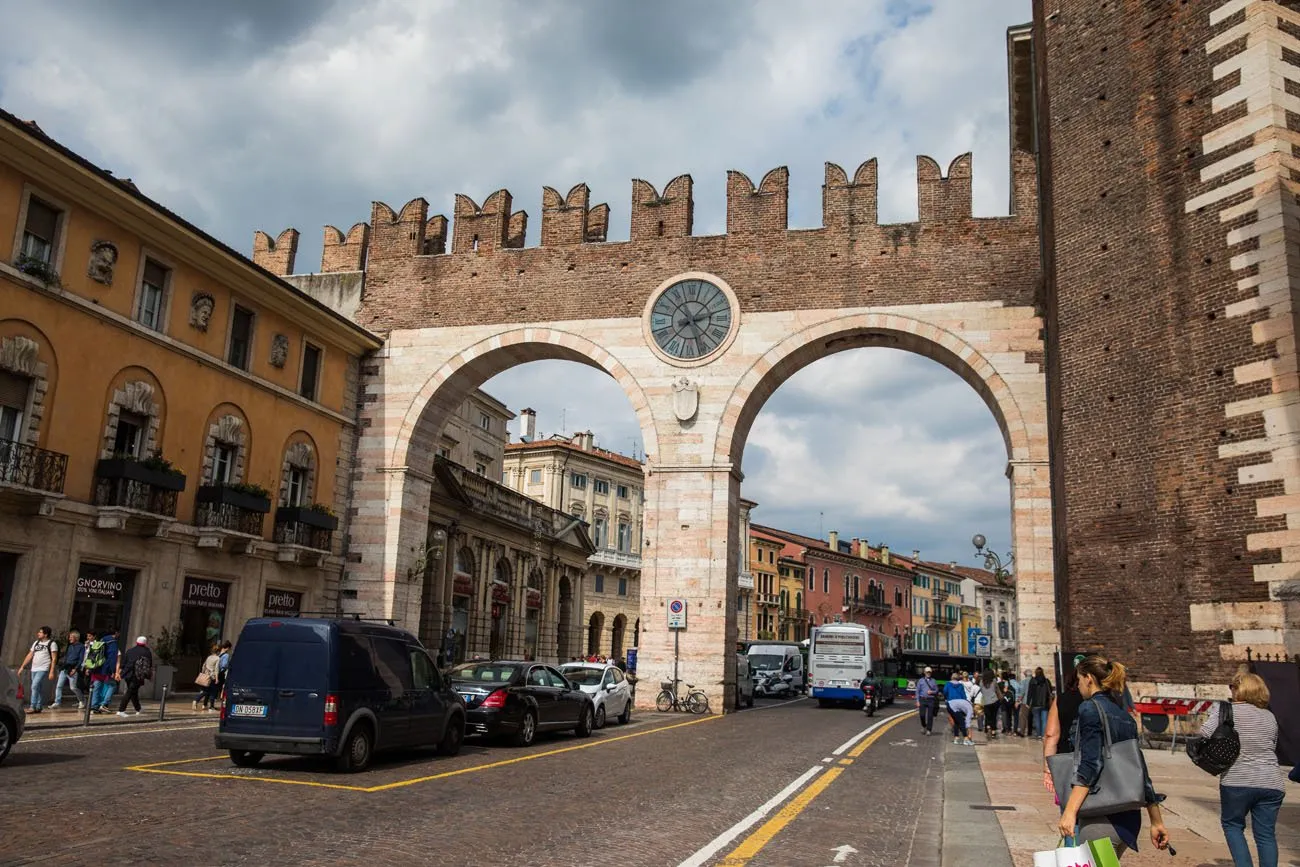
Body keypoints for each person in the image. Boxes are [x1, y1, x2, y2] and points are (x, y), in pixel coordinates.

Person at [1056, 655, 1170, 859]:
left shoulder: (1090, 708)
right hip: (1127, 818)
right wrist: (1156, 821)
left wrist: (1070, 812)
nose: (1079, 685)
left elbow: (1090, 765)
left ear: (1089, 678)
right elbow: (1140, 770)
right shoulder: (1124, 716)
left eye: (1080, 679)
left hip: (1102, 816)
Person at [1201, 671, 1287, 867]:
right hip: (1271, 781)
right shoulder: (1269, 717)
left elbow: (1205, 732)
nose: (1231, 690)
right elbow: (1271, 745)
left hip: (1238, 779)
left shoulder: (1229, 711)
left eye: (1233, 687)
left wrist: (1216, 712)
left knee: (1233, 826)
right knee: (1266, 834)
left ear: (1240, 689)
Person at [16, 626, 58, 713]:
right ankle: (39, 706)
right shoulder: (36, 643)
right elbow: (30, 655)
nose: (38, 633)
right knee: (37, 687)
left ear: (45, 634)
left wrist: (51, 671)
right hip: (34, 668)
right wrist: (22, 666)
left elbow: (54, 658)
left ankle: (32, 706)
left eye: (40, 632)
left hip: (43, 668)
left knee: (34, 686)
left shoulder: (52, 644)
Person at [115, 636, 154, 717]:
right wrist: (149, 675)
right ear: (145, 643)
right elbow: (149, 665)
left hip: (127, 674)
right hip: (138, 675)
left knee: (133, 692)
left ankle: (138, 709)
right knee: (130, 692)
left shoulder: (130, 650)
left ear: (136, 642)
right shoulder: (147, 652)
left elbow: (124, 663)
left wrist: (119, 672)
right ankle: (121, 710)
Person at [51, 629, 85, 710]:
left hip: (73, 668)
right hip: (65, 668)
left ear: (76, 638)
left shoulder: (81, 647)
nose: (69, 638)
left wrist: (75, 669)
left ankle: (82, 700)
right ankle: (57, 702)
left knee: (73, 687)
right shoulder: (70, 646)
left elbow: (81, 659)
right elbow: (66, 657)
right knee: (59, 686)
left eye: (71, 637)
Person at [87, 629, 119, 713]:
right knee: (112, 685)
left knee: (97, 686)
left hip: (96, 667)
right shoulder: (112, 642)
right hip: (106, 667)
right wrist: (113, 670)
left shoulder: (100, 641)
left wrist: (89, 668)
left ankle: (94, 707)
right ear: (115, 633)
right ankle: (104, 704)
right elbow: (112, 657)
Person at [945, 672, 974, 746]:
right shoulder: (960, 685)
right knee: (961, 722)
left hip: (950, 703)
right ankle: (966, 739)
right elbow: (963, 695)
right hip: (958, 704)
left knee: (956, 722)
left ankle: (956, 738)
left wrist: (947, 698)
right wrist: (963, 702)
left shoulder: (948, 684)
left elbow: (945, 692)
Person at [1028, 667, 1053, 741]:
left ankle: (1039, 735)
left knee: (1037, 720)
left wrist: (1028, 702)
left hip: (1035, 704)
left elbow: (1030, 693)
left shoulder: (1032, 681)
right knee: (1044, 720)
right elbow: (1050, 691)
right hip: (1044, 703)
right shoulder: (1046, 681)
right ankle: (1043, 735)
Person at [195, 644, 221, 711]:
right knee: (212, 692)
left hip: (206, 676)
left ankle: (198, 701)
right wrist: (217, 679)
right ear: (218, 651)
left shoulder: (209, 657)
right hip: (212, 677)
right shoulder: (217, 658)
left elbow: (204, 666)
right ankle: (211, 707)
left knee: (206, 691)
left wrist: (203, 673)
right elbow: (216, 669)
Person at [916, 666, 939, 735]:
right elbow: (917, 691)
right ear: (924, 672)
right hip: (922, 699)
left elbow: (937, 690)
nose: (928, 673)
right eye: (927, 672)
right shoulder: (920, 680)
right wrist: (917, 701)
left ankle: (929, 730)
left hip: (931, 699)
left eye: (929, 672)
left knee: (930, 716)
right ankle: (924, 726)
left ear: (931, 673)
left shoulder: (934, 681)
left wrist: (932, 692)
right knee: (922, 715)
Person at [979, 669, 1001, 741]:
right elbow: (997, 690)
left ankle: (988, 728)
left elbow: (982, 691)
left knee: (988, 716)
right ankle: (993, 732)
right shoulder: (994, 681)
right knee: (994, 717)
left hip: (986, 702)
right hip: (994, 701)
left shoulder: (981, 682)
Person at [1014, 669, 1032, 736]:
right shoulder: (1035, 681)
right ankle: (1030, 732)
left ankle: (1022, 731)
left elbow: (1022, 693)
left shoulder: (1024, 682)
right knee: (1031, 717)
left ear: (1025, 675)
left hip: (1025, 701)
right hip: (1034, 702)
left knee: (1023, 717)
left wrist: (1018, 701)